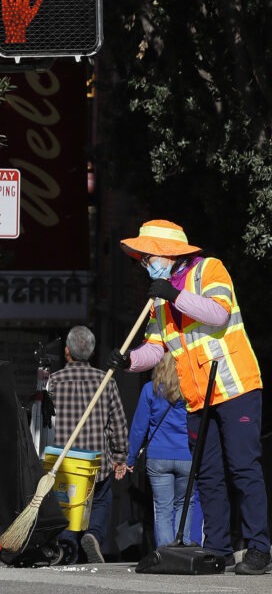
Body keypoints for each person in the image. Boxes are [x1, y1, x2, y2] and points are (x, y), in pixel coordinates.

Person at [110, 219, 269, 574]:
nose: (143, 263)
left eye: (147, 256)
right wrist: (129, 361)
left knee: (243, 468)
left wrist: (174, 294)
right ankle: (219, 549)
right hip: (197, 397)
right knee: (208, 475)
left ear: (166, 254)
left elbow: (219, 312)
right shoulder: (158, 302)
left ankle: (259, 547)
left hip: (235, 387)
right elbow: (156, 349)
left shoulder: (209, 270)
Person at [47, 324, 128, 563]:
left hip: (65, 461)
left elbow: (42, 420)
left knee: (67, 502)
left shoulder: (53, 381)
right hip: (97, 460)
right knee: (101, 499)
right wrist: (120, 457)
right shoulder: (106, 381)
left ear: (66, 352)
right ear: (92, 353)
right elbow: (118, 422)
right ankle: (93, 534)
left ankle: (67, 542)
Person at [121, 352, 198, 547]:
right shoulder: (191, 390)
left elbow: (139, 428)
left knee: (163, 508)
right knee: (185, 503)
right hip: (187, 455)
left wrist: (130, 459)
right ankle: (182, 545)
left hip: (158, 457)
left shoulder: (150, 390)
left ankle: (164, 553)